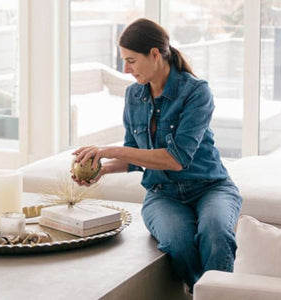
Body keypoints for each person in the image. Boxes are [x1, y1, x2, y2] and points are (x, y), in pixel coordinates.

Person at [72, 18, 242, 292]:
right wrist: (102, 169)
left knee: (216, 233)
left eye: (131, 60)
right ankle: (200, 293)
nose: (126, 69)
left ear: (154, 54)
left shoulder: (196, 92)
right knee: (178, 241)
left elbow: (176, 159)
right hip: (162, 194)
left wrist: (106, 149)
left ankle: (217, 296)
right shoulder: (133, 96)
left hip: (210, 187)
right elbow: (135, 156)